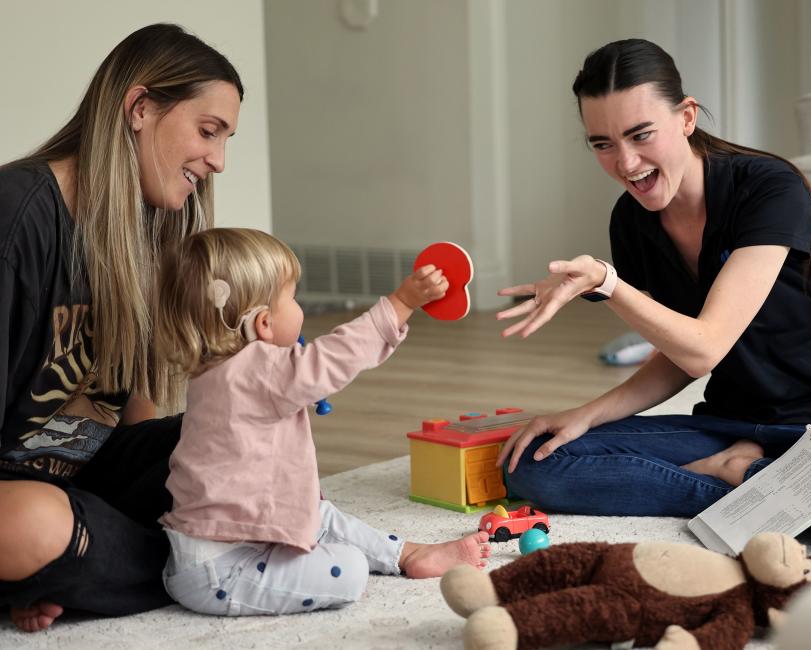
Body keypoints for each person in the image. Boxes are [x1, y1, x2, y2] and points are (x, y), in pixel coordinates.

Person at [495, 39, 811, 547]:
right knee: (533, 462)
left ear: (686, 117)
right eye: (603, 143)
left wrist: (608, 283)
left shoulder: (769, 188)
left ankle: (743, 480)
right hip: (734, 424)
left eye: (641, 135)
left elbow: (705, 346)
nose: (626, 162)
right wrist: (584, 414)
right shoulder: (632, 221)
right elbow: (681, 355)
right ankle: (746, 479)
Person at [0, 24, 244, 631]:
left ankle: (86, 569)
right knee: (28, 526)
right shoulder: (16, 214)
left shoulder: (138, 230)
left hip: (86, 488)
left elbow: (124, 405)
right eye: (209, 132)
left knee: (237, 434)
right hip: (19, 502)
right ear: (139, 108)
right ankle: (206, 566)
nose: (218, 161)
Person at [154, 228, 490, 616]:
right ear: (263, 324)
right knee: (348, 568)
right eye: (292, 299)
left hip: (217, 546)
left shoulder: (215, 370)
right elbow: (333, 358)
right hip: (223, 572)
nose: (298, 308)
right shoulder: (254, 369)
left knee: (317, 513)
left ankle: (407, 553)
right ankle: (380, 557)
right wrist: (401, 303)